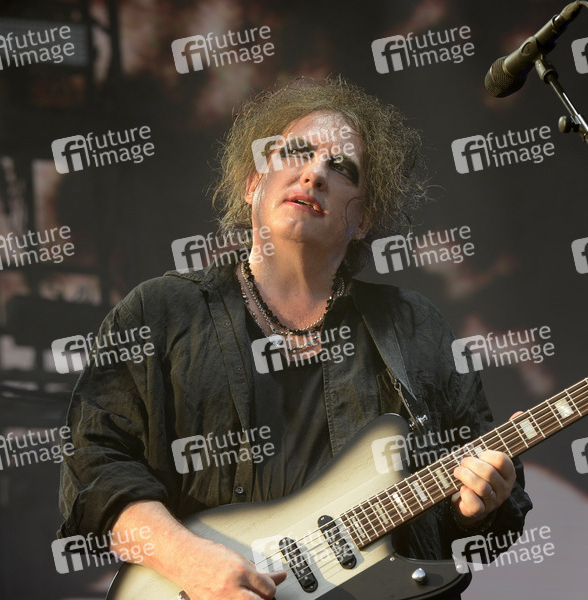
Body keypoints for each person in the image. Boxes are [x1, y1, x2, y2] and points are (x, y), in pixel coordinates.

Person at [58, 77, 531, 600]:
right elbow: (93, 463)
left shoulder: (414, 325)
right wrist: (189, 561)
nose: (315, 174)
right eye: (297, 153)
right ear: (253, 184)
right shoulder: (160, 310)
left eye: (342, 168)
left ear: (362, 219)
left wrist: (477, 509)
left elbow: (490, 525)